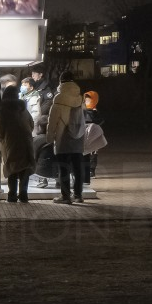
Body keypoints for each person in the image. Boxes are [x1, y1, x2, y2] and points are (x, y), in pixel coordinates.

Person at [46, 70, 87, 205]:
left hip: (63, 136)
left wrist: (49, 138)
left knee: (63, 167)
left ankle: (65, 196)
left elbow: (53, 121)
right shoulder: (80, 97)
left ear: (61, 82)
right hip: (78, 137)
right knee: (77, 167)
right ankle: (78, 195)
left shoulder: (59, 98)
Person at [0, 84, 35, 203]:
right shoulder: (23, 107)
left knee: (12, 166)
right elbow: (31, 123)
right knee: (25, 167)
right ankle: (23, 194)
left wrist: (1, 138)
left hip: (10, 140)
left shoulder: (2, 109)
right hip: (26, 139)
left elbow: (0, 126)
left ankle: (12, 194)